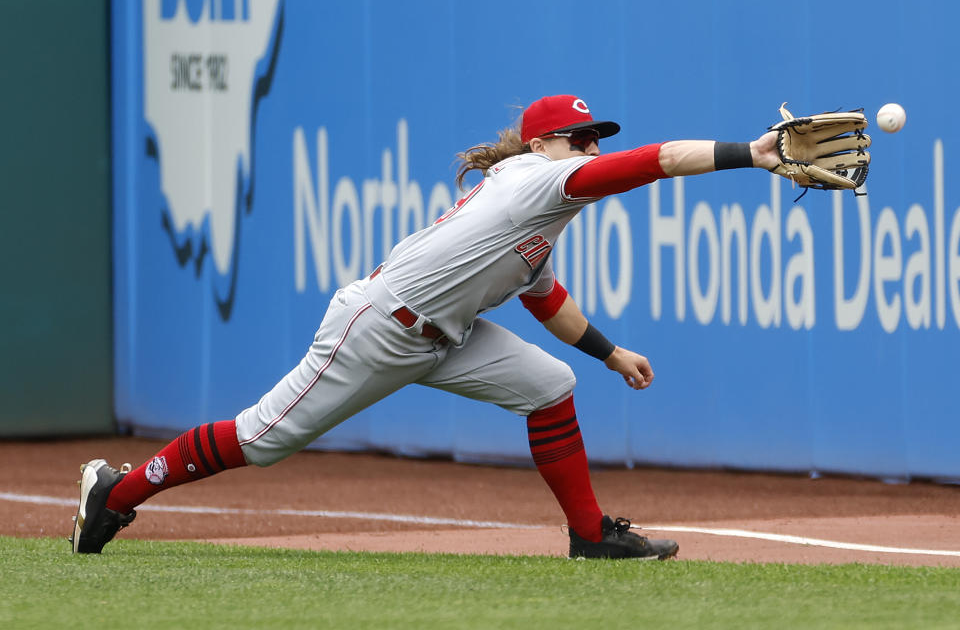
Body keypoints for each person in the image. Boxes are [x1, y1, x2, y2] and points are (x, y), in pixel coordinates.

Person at [72, 94, 780, 558]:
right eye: (578, 138)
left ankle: (591, 537)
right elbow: (651, 163)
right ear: (540, 146)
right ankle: (117, 493)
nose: (590, 148)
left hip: (447, 337)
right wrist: (749, 154)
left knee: (550, 383)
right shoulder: (536, 182)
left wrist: (612, 353)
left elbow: (545, 300)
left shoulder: (537, 217)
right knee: (260, 440)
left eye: (594, 138)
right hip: (379, 326)